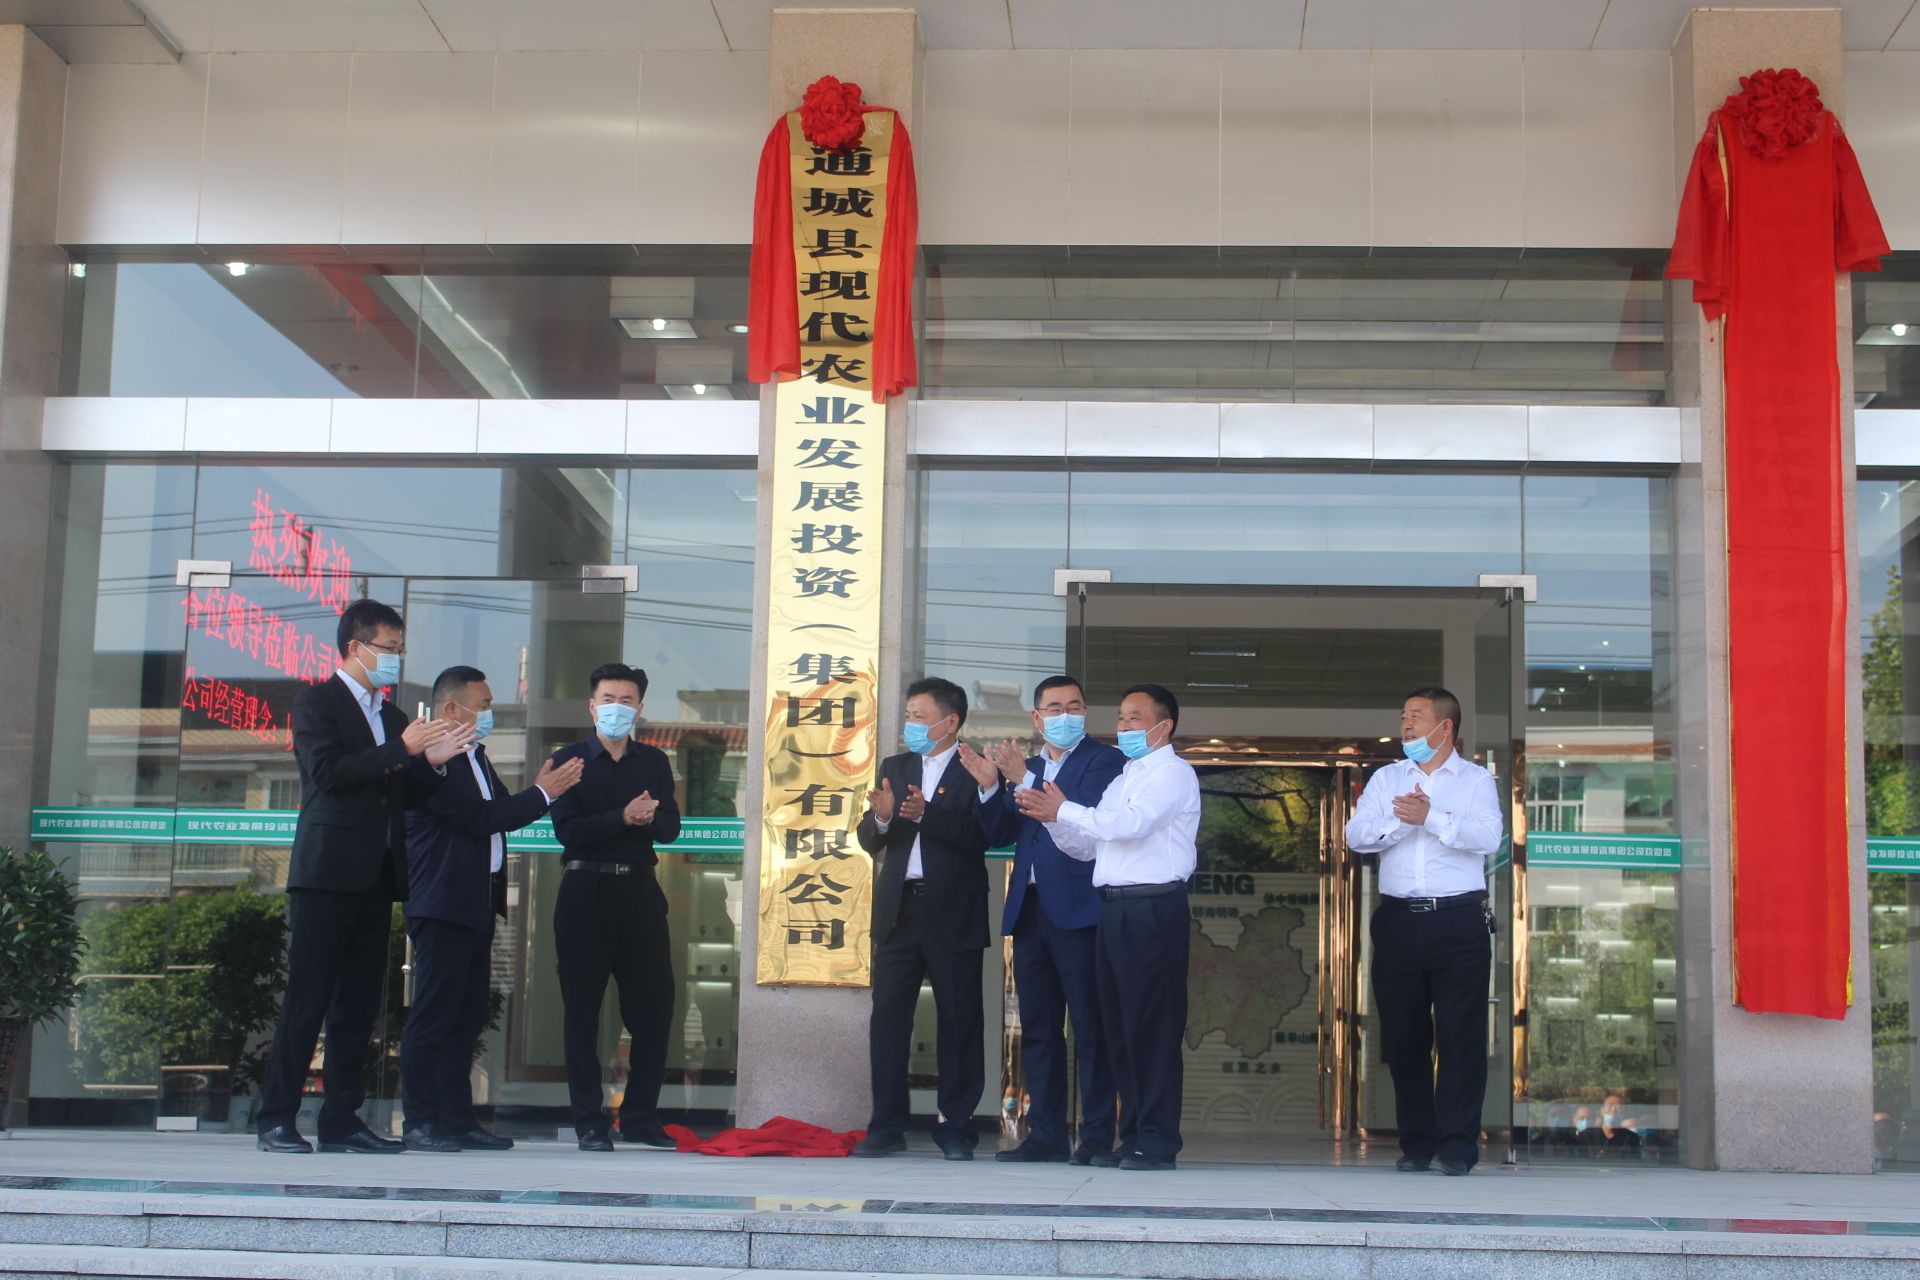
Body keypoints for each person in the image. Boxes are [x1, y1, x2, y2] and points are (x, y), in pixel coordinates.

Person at [256, 599, 473, 1155]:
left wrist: (435, 760)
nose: (396, 658)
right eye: (388, 648)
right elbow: (327, 773)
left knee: (357, 1007)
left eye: (400, 649)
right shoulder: (318, 702)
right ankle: (276, 1119)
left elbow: (409, 792)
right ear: (355, 647)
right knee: (307, 999)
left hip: (377, 876)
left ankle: (342, 1121)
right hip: (327, 872)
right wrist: (401, 750)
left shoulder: (395, 717)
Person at [399, 665, 583, 1153]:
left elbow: (503, 810)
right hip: (441, 901)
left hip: (477, 902)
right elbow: (480, 818)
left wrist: (537, 792)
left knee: (466, 1018)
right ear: (451, 708)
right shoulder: (432, 762)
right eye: (482, 705)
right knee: (434, 1015)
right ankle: (419, 1120)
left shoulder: (475, 756)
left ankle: (457, 1119)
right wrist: (545, 793)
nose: (489, 714)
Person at [1017, 683, 1199, 1172]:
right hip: (1113, 908)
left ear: (1164, 726)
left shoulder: (1173, 774)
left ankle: (1158, 1141)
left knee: (1152, 1026)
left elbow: (1129, 825)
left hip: (1152, 907)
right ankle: (1133, 1135)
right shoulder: (1125, 776)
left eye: (1135, 718)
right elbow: (1088, 845)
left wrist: (1066, 810)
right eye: (1120, 717)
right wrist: (1055, 819)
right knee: (1119, 1026)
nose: (1124, 726)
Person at [955, 675, 1126, 1166]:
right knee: (1039, 1029)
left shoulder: (1105, 762)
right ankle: (1046, 1134)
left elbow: (1084, 820)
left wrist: (1019, 781)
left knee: (1091, 1028)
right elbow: (1001, 833)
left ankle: (1096, 1135)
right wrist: (991, 786)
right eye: (1054, 708)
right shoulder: (1025, 767)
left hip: (1081, 910)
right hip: (1030, 911)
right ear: (1037, 717)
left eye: (1074, 706)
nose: (1065, 715)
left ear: (1085, 712)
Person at [1344, 686, 1504, 1177]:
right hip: (1398, 920)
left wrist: (1431, 817)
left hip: (1458, 920)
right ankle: (1415, 1143)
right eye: (1403, 716)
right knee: (1404, 1037)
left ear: (1445, 726)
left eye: (1416, 716)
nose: (1406, 725)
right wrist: (1402, 821)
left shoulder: (1475, 780)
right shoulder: (1387, 778)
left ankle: (1456, 1146)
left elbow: (1489, 837)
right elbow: (1356, 836)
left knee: (1461, 1038)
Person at [851, 676, 992, 1160]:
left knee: (959, 1019)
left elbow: (982, 837)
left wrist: (924, 814)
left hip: (953, 910)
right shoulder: (896, 766)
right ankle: (886, 1126)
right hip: (900, 908)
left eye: (919, 716)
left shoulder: (976, 767)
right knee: (889, 1019)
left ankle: (955, 1128)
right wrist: (884, 818)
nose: (910, 724)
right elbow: (870, 838)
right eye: (908, 715)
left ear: (950, 722)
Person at [546, 662, 682, 1152]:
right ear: (592, 705)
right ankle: (589, 1120)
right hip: (585, 891)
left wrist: (647, 819)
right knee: (582, 1009)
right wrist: (621, 817)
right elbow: (568, 831)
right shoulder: (568, 761)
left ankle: (641, 1117)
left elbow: (671, 828)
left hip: (640, 891)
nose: (617, 708)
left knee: (654, 1008)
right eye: (608, 699)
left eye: (626, 701)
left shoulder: (654, 762)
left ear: (639, 708)